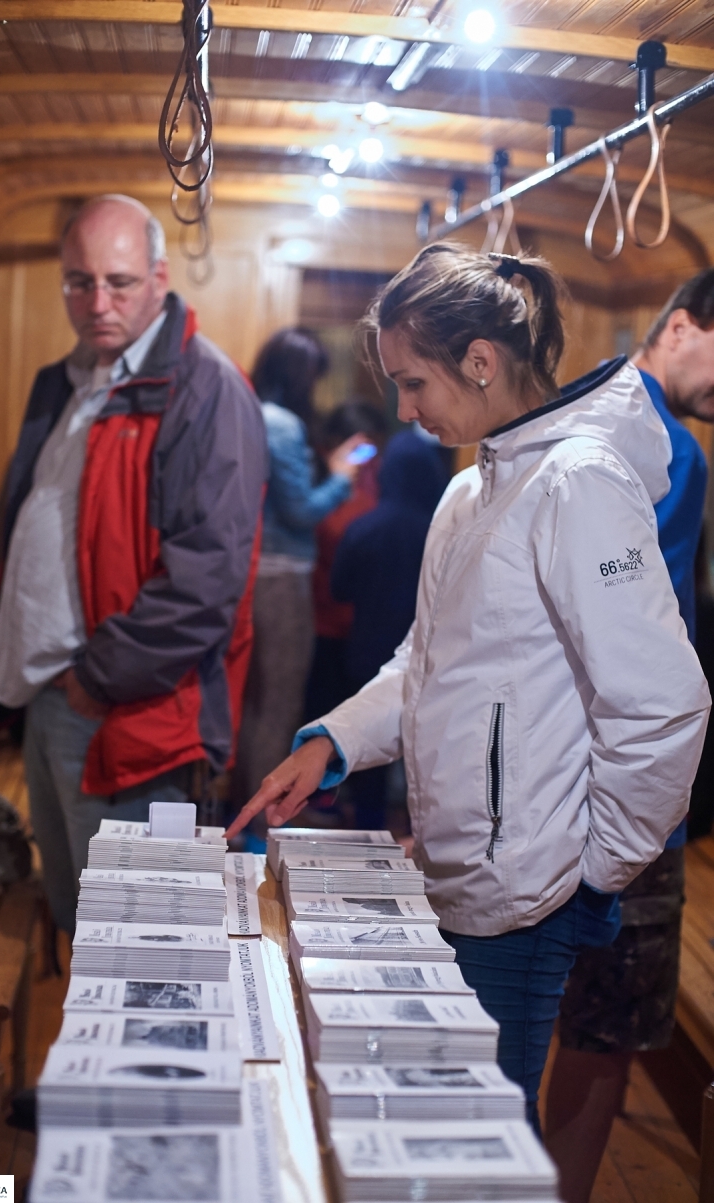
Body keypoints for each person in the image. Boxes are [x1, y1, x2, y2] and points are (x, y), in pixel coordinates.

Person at [226, 242, 710, 1133]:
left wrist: (591, 869)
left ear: (481, 363)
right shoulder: (470, 491)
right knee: (446, 1129)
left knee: (482, 1139)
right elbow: (426, 659)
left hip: (527, 902)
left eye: (414, 384)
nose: (404, 411)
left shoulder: (581, 482)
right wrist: (332, 740)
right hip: (454, 873)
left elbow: (663, 706)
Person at [0, 194, 267, 934]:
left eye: (120, 281)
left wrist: (95, 680)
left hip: (128, 714)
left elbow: (206, 583)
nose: (96, 301)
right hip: (52, 699)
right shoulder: (68, 380)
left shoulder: (205, 390)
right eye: (78, 281)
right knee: (79, 920)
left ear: (160, 277)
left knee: (142, 942)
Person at [545, 269, 714, 1201]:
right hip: (622, 787)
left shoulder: (585, 406)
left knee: (557, 1009)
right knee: (609, 1027)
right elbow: (643, 652)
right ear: (682, 325)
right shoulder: (665, 449)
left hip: (556, 778)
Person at [232, 328, 363, 834]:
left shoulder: (247, 411)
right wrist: (340, 479)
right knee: (277, 703)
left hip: (251, 572)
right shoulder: (282, 424)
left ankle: (245, 816)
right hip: (281, 578)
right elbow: (301, 510)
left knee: (254, 701)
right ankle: (263, 829)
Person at [329, 427, 450, 827]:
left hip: (366, 649)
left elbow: (339, 588)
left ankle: (368, 831)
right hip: (431, 658)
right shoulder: (443, 534)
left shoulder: (366, 527)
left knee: (370, 762)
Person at [305, 400, 387, 725]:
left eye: (374, 449)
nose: (367, 458)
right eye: (360, 449)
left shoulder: (382, 481)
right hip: (322, 622)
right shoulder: (319, 486)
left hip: (365, 627)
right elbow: (327, 532)